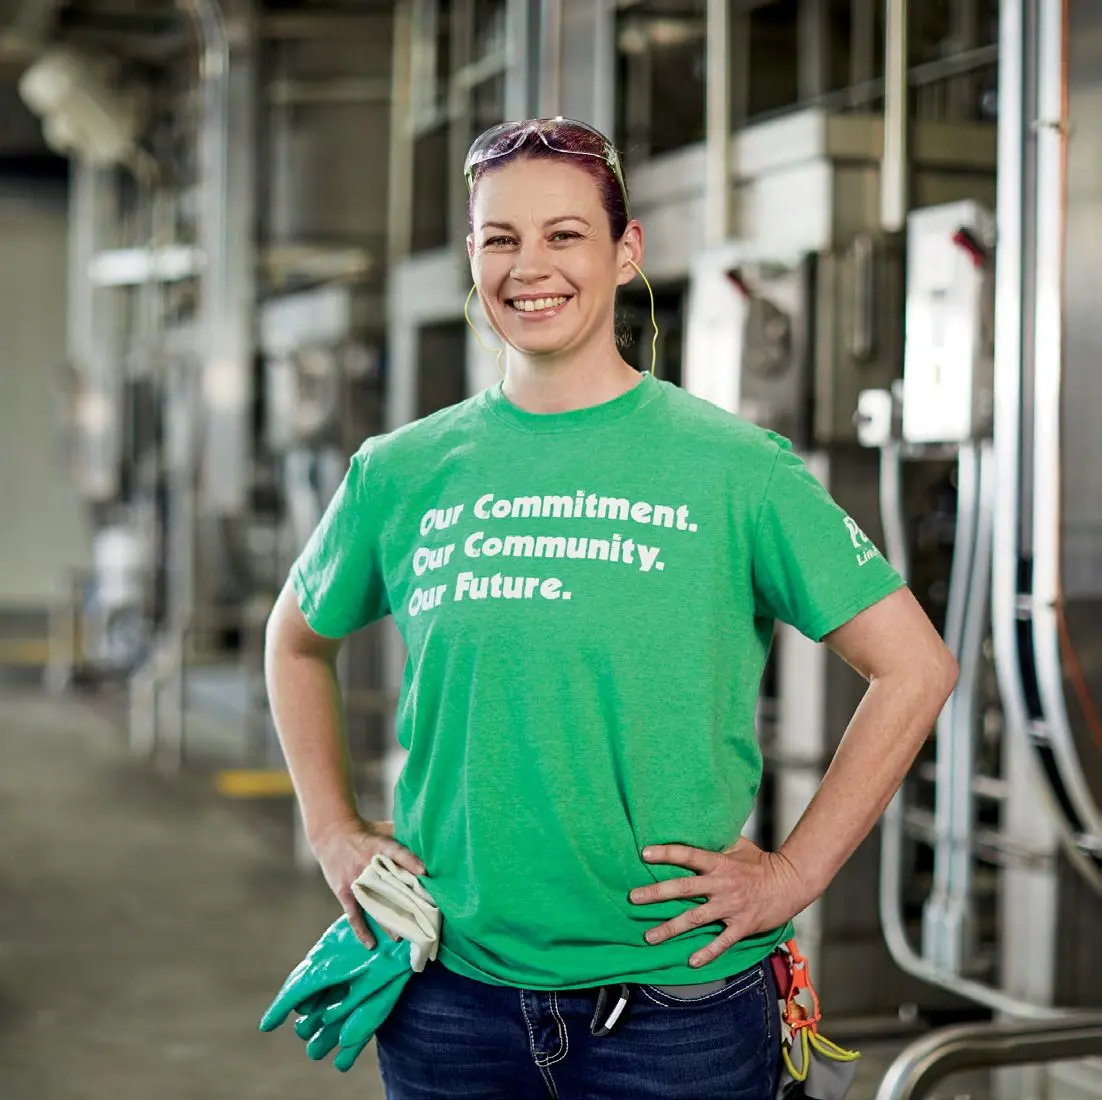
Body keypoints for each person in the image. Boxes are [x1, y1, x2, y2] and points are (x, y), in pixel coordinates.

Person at [264, 116, 958, 1100]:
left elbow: (914, 663)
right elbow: (294, 641)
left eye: (563, 234)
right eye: (500, 237)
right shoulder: (400, 470)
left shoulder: (731, 467)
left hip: (677, 1013)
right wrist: (330, 825)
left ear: (624, 253)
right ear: (472, 255)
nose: (527, 265)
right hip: (451, 1000)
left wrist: (796, 870)